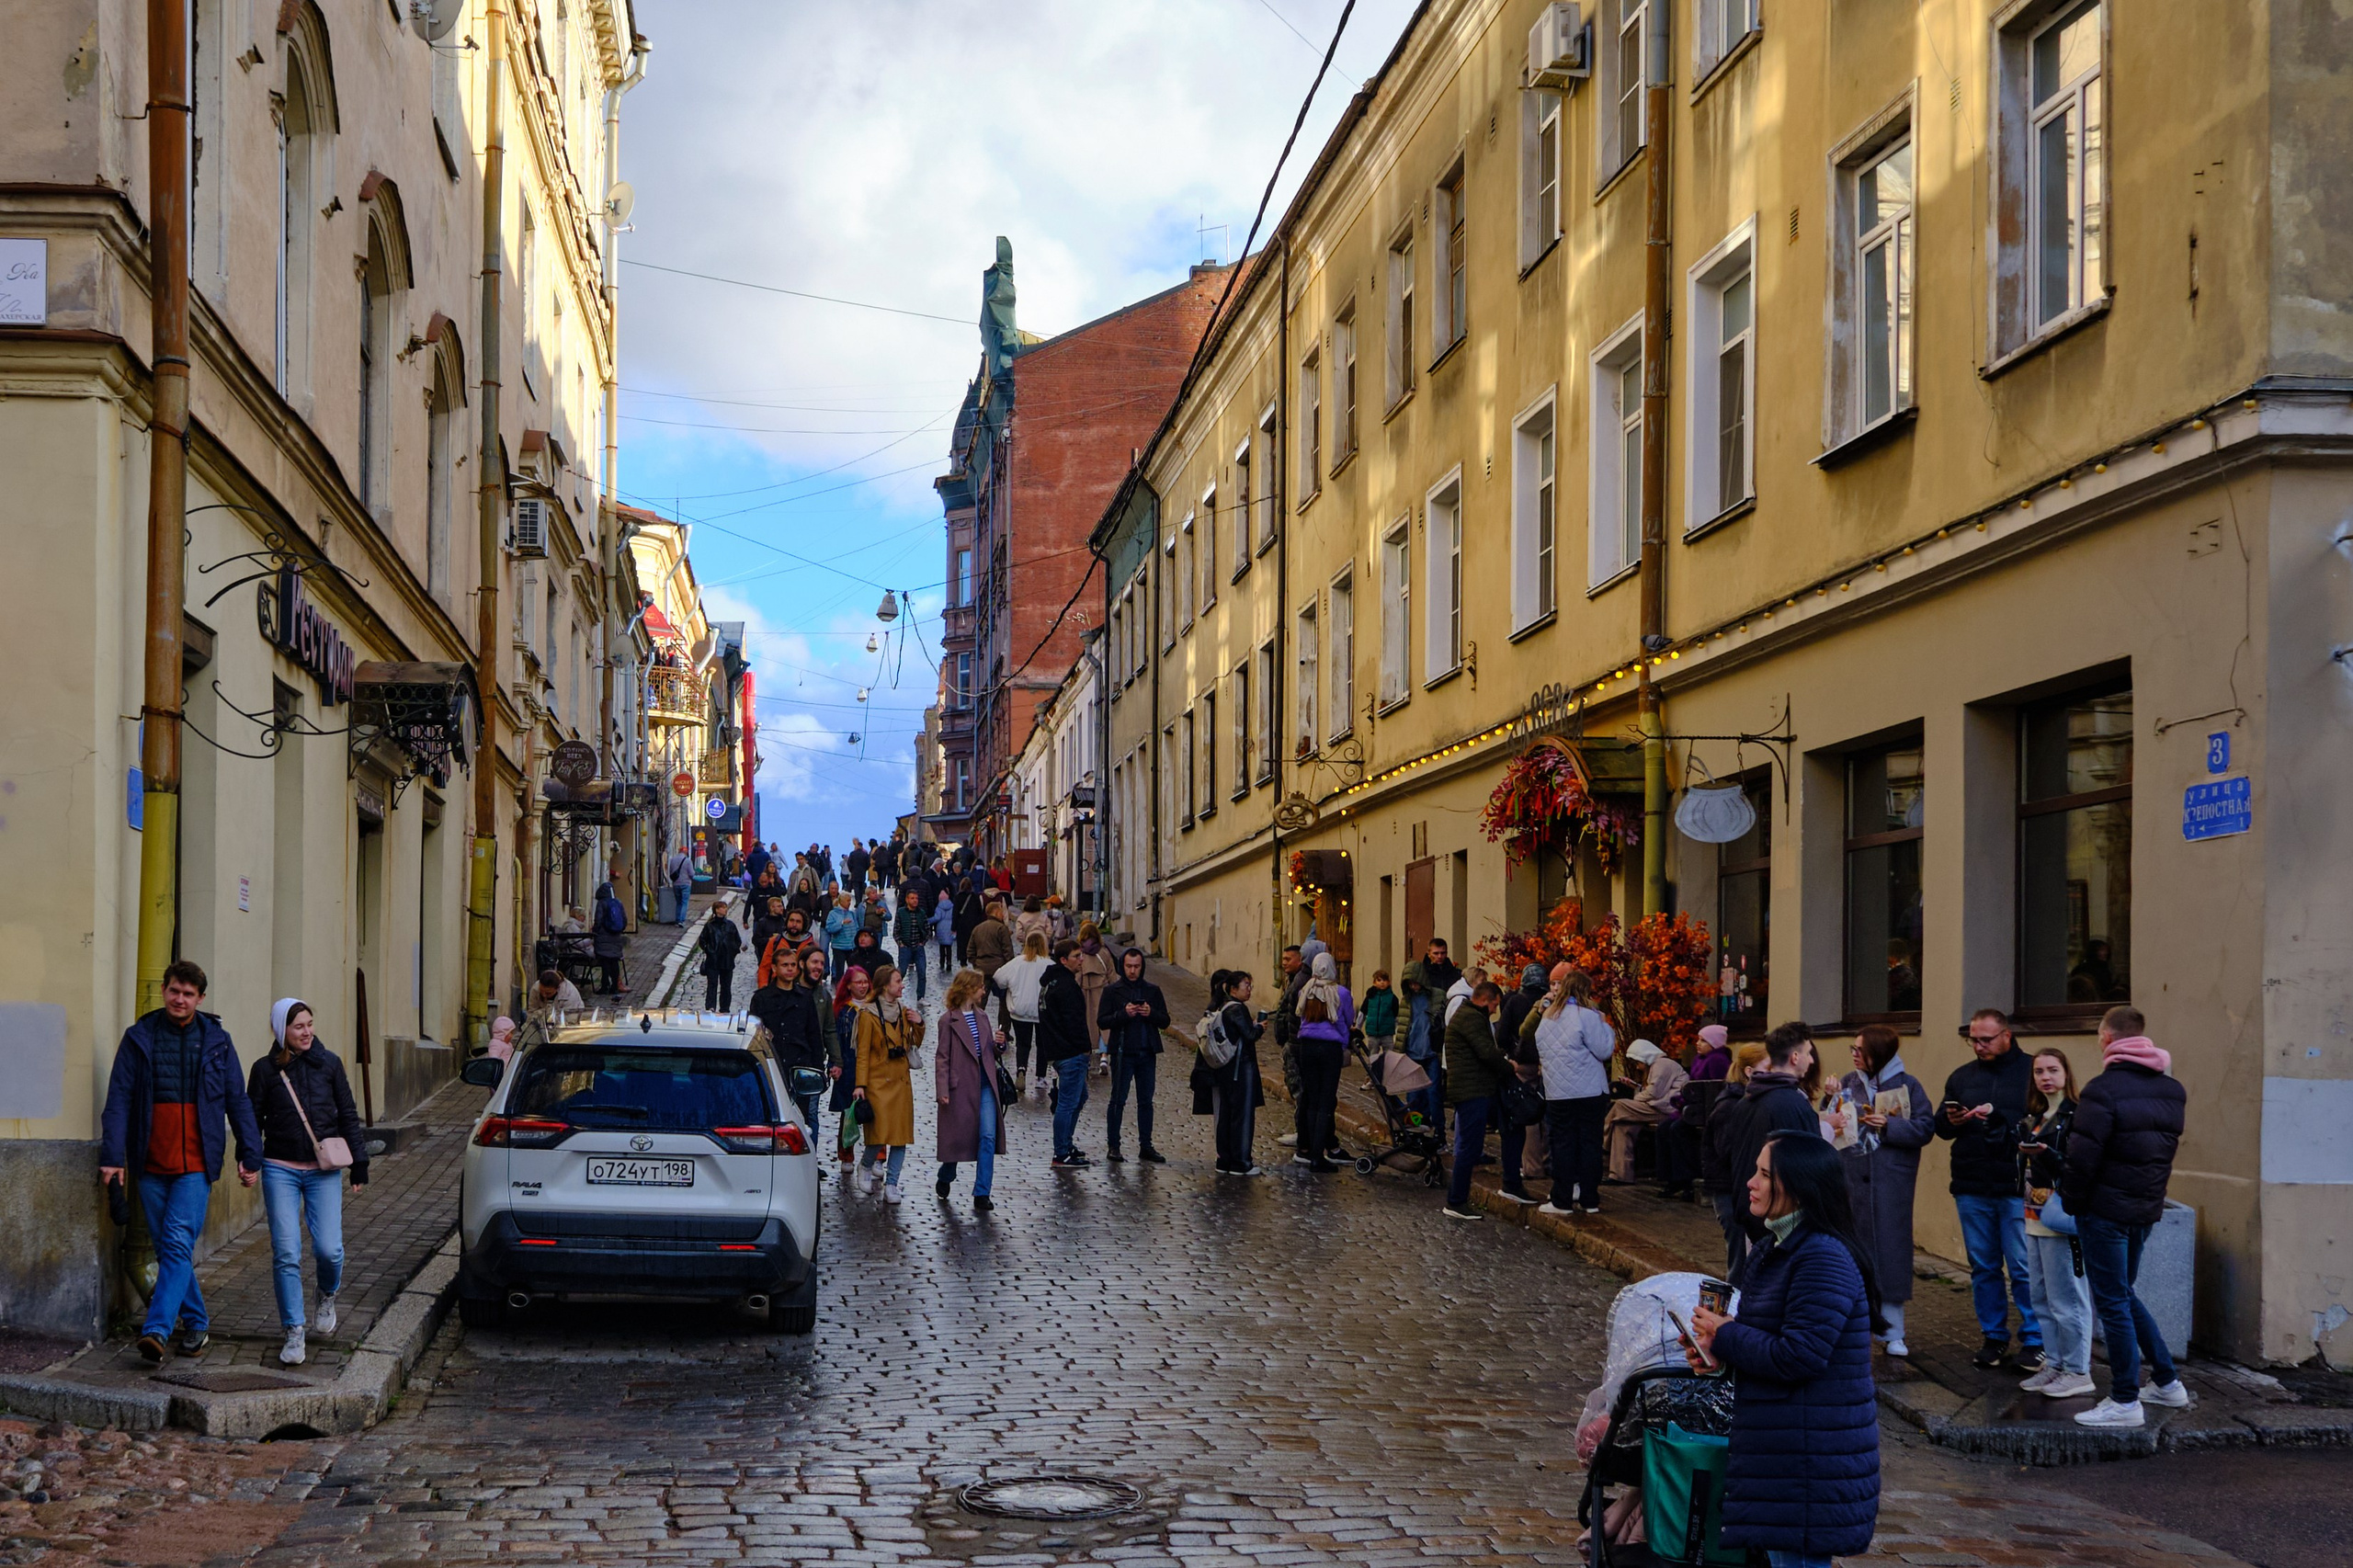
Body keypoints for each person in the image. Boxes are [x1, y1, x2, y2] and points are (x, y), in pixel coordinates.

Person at [1682, 1131, 1881, 1568]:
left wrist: (1727, 1334)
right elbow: (1766, 1343)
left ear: (1796, 1186)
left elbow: (1800, 1355)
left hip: (1809, 1461)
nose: (1750, 1182)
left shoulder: (1822, 1256)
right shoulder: (1777, 1248)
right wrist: (1718, 1352)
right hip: (1787, 1452)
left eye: (1764, 1174)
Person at [98, 960, 263, 1363]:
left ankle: (156, 1329)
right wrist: (112, 1156)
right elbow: (118, 1100)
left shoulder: (217, 1041)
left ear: (200, 998)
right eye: (174, 991)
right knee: (171, 1249)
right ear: (164, 989)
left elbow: (237, 1100)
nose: (180, 999)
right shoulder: (139, 1037)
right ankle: (198, 1322)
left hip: (196, 1164)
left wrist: (249, 1151)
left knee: (174, 1243)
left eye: (189, 994)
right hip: (150, 1162)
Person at [2063, 1006, 2191, 1428]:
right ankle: (2168, 1382)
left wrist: (2072, 1201)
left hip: (2104, 1210)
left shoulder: (2103, 1090)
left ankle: (2123, 1399)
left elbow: (2083, 1158)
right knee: (2124, 1293)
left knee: (2113, 1301)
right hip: (2144, 1208)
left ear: (2106, 1038)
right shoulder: (2172, 1090)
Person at [246, 999, 367, 1367]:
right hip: (279, 1168)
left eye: (310, 1024)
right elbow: (252, 1120)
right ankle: (294, 1330)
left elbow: (347, 1113)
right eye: (299, 1026)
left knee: (329, 1250)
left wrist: (359, 1163)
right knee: (286, 1251)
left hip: (323, 1170)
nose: (307, 1031)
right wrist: (249, 1160)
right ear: (281, 1029)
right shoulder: (265, 1070)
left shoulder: (329, 1064)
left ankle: (326, 1293)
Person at [1936, 1007, 2043, 1371]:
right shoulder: (1962, 1076)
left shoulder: (2032, 1072)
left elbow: (2047, 1120)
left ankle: (2035, 1339)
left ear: (2007, 1035)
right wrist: (1951, 1120)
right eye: (1973, 1040)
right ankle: (1994, 1336)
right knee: (1983, 1265)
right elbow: (1941, 1127)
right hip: (1971, 1181)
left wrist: (2007, 1122)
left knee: (2023, 1266)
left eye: (1986, 1039)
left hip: (2015, 1183)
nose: (1978, 1046)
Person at [1834, 1023, 1935, 1358]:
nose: (1854, 1054)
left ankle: (1893, 1332)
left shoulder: (1908, 1085)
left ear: (1878, 1053)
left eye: (1860, 1050)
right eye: (1853, 1048)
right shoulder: (1848, 1083)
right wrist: (1832, 1097)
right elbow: (1829, 1122)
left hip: (1891, 1185)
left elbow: (1924, 1127)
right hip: (1852, 1182)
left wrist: (1890, 1125)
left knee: (1891, 1255)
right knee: (1852, 1257)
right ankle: (1856, 1328)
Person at [2017, 1047, 2096, 1400]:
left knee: (2069, 1299)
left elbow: (2080, 1168)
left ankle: (2078, 1370)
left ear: (2066, 1073)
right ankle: (2056, 1364)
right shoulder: (2034, 1117)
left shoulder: (2076, 1115)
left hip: (2061, 1216)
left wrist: (2048, 1155)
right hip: (2033, 1214)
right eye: (2038, 1071)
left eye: (2052, 1070)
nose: (2045, 1077)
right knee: (2041, 1298)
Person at [1718, 1023, 1823, 1262]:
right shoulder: (1793, 1104)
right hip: (1782, 1221)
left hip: (1752, 1213)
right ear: (1795, 1057)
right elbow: (1811, 1167)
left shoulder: (1747, 1100)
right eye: (1808, 1053)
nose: (1812, 1061)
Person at [1521, 965, 1615, 1216]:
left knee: (1562, 1145)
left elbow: (1538, 1046)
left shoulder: (1548, 1018)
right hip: (1590, 1091)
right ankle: (1589, 1199)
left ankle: (1562, 1199)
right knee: (1590, 1144)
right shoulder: (1588, 1016)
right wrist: (1606, 1025)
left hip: (1559, 1092)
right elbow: (1604, 1050)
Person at [1440, 980, 1516, 1220]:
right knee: (1469, 1148)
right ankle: (1456, 1201)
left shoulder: (1468, 1016)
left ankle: (1458, 1199)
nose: (1495, 1010)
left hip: (1470, 1088)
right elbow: (1485, 1052)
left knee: (1469, 1145)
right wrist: (1508, 1066)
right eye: (1495, 1004)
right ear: (1485, 1000)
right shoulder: (1472, 1018)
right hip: (1471, 1090)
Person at [934, 968, 1007, 1210]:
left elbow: (989, 1052)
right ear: (968, 989)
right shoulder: (948, 1020)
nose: (984, 991)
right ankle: (946, 1174)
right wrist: (942, 1088)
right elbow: (942, 1057)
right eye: (980, 987)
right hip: (961, 1086)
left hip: (985, 1083)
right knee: (958, 1140)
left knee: (987, 1136)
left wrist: (1000, 1044)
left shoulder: (983, 1017)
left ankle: (982, 1192)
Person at [750, 944, 837, 1131]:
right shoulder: (762, 998)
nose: (790, 969)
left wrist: (816, 1070)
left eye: (792, 965)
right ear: (774, 968)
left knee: (802, 1120)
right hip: (772, 1065)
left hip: (799, 1066)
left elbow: (814, 1034)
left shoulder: (804, 998)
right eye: (785, 965)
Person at [851, 965, 920, 1202]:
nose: (902, 985)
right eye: (898, 981)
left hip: (900, 1080)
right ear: (885, 986)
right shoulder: (868, 1014)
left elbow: (912, 1042)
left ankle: (892, 1184)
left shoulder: (903, 1011)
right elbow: (862, 1053)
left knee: (900, 1136)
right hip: (878, 1081)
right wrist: (860, 1084)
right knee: (879, 1133)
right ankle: (866, 1165)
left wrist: (918, 1023)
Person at [1701, 1043, 1769, 1276]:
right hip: (1730, 1190)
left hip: (1739, 1188)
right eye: (1768, 1067)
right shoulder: (1731, 1105)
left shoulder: (1745, 1101)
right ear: (1750, 1071)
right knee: (1739, 1258)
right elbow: (1728, 1151)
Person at [1098, 948, 1170, 1163]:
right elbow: (1102, 1020)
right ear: (1123, 966)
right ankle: (1114, 1145)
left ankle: (1146, 1145)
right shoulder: (1112, 991)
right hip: (1123, 1051)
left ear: (1142, 967)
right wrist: (1124, 1014)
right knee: (1118, 1100)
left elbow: (1165, 1021)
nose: (1132, 970)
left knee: (1146, 1101)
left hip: (1146, 1051)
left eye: (1136, 966)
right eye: (1129, 966)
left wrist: (1151, 1013)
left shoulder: (1152, 990)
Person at [1200, 970, 1267, 1176]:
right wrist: (1260, 1028)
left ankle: (1225, 1160)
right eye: (1246, 985)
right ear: (1233, 989)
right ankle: (1241, 1162)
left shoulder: (1223, 1006)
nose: (1249, 990)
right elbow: (1248, 1035)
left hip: (1225, 1069)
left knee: (1227, 1115)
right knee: (1242, 1115)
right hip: (1241, 1069)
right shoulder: (1238, 1009)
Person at [1293, 951, 1354, 1172]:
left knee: (1312, 1099)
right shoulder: (1341, 993)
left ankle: (1310, 1151)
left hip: (1307, 1047)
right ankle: (1319, 1155)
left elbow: (1300, 1016)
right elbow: (1347, 1019)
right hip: (1329, 1049)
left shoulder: (1306, 990)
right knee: (1326, 1101)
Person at [1040, 939, 1097, 1167]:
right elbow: (1073, 1022)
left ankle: (1066, 1144)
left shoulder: (1052, 983)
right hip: (1070, 1052)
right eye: (1077, 956)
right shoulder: (1066, 986)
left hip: (1059, 1050)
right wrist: (1084, 1048)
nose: (1081, 960)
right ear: (1064, 960)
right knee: (1067, 1102)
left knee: (1079, 1098)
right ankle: (1061, 1152)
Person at [1602, 1038, 1688, 1185]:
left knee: (1620, 1105)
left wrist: (1636, 1097)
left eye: (1638, 1062)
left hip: (1667, 1109)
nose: (1637, 1067)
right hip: (1660, 1106)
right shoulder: (1660, 1065)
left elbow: (1653, 1093)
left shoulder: (1662, 1064)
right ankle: (1620, 1175)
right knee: (1622, 1126)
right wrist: (1637, 1088)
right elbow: (1654, 1092)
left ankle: (1603, 1141)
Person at [1402, 938, 1461, 1130]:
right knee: (1414, 1095)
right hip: (1413, 1050)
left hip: (1433, 1048)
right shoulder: (1411, 995)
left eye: (1443, 953)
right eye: (1436, 953)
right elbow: (1403, 1026)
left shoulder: (1451, 976)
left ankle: (1438, 1130)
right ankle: (1417, 1126)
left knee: (1434, 1091)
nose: (1440, 957)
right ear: (1429, 953)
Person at [829, 962, 875, 1168]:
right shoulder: (842, 1010)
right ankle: (846, 1153)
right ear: (849, 985)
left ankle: (877, 1155)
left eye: (866, 982)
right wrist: (835, 1063)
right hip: (848, 1064)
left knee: (875, 1110)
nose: (863, 986)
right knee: (848, 1112)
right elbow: (836, 1039)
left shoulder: (875, 1007)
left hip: (872, 1065)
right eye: (859, 982)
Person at [996, 931, 1053, 1093]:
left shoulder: (1017, 963)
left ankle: (1021, 1070)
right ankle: (1040, 1078)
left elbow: (999, 978)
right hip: (1041, 1010)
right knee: (1042, 1044)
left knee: (1023, 1043)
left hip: (1020, 1009)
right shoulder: (1049, 964)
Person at [1270, 944, 1309, 1131]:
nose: (1283, 963)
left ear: (1300, 960)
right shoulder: (1292, 979)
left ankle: (1303, 1134)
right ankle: (1301, 1131)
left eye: (1288, 959)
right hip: (1290, 1043)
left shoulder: (1301, 982)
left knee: (1300, 1090)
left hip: (1296, 1044)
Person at [966, 899, 1016, 1016]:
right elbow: (1008, 951)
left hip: (982, 969)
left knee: (979, 1000)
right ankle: (1003, 1030)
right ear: (996, 912)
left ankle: (975, 1025)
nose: (1003, 914)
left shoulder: (978, 928)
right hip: (1000, 969)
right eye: (1001, 911)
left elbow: (970, 951)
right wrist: (1009, 968)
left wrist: (976, 964)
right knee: (1004, 1002)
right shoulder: (1001, 929)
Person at [1073, 923, 1115, 1058]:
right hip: (1103, 992)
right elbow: (1112, 974)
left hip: (1085, 993)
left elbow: (1077, 976)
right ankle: (1103, 1055)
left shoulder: (1080, 954)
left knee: (1087, 1023)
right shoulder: (1104, 952)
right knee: (1105, 1024)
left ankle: (1088, 1052)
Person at [696, 901, 744, 1012]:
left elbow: (737, 940)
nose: (725, 910)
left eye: (726, 908)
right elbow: (702, 940)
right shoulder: (710, 926)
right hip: (713, 961)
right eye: (723, 908)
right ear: (717, 910)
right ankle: (710, 1007)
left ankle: (725, 1008)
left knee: (726, 987)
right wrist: (710, 951)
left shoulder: (730, 925)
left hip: (727, 960)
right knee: (712, 986)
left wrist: (732, 952)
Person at [892, 888, 932, 1002]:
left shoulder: (921, 913)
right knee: (901, 972)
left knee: (922, 972)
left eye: (916, 898)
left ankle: (921, 997)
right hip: (905, 947)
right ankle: (894, 993)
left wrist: (922, 942)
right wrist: (901, 944)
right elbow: (896, 931)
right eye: (912, 898)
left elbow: (927, 929)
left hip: (918, 947)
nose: (915, 901)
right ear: (907, 899)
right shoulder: (901, 912)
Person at [589, 880, 630, 994]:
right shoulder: (618, 902)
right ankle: (615, 987)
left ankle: (604, 985)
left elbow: (598, 919)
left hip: (603, 936)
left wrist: (596, 930)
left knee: (605, 962)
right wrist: (619, 930)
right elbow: (624, 919)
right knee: (615, 962)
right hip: (616, 936)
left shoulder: (602, 903)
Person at [823, 892, 860, 980]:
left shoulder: (851, 914)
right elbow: (829, 928)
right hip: (839, 947)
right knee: (839, 971)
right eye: (848, 900)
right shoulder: (833, 914)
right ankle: (840, 989)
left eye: (850, 900)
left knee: (853, 970)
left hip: (851, 947)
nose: (850, 902)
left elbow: (856, 928)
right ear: (842, 902)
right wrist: (841, 923)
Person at [951, 881, 987, 969]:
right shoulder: (975, 897)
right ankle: (973, 959)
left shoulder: (958, 897)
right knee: (973, 943)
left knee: (962, 945)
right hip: (973, 924)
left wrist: (953, 927)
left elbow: (955, 913)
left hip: (962, 925)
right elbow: (980, 911)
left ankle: (963, 963)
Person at [665, 843, 693, 924]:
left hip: (676, 884)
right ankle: (681, 920)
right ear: (686, 852)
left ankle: (677, 919)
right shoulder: (688, 861)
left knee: (678, 902)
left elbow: (670, 872)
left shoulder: (672, 860)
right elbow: (691, 873)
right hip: (686, 884)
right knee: (684, 902)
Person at [931, 888, 957, 977]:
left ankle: (942, 962)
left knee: (942, 946)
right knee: (949, 946)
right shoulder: (952, 906)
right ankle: (949, 962)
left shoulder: (939, 907)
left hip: (941, 928)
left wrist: (928, 921)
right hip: (950, 927)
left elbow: (937, 918)